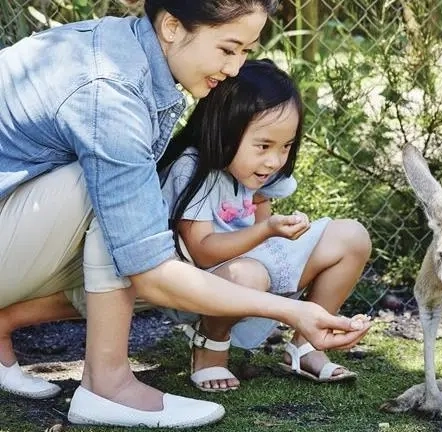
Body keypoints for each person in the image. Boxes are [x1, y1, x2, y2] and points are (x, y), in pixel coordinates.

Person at [0, 0, 372, 428]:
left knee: (144, 226)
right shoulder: (112, 88)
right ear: (173, 26)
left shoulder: (131, 51)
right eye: (228, 49)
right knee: (119, 204)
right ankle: (108, 386)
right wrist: (293, 312)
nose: (235, 69)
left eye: (246, 52)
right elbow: (149, 270)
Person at [157, 59, 371, 392]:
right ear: (226, 130)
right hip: (203, 283)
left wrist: (281, 228)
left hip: (256, 269)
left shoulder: (254, 171)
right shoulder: (194, 170)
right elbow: (203, 252)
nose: (275, 160)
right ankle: (210, 348)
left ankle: (307, 347)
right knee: (250, 274)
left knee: (352, 237)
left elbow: (261, 224)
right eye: (264, 146)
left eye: (285, 146)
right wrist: (268, 229)